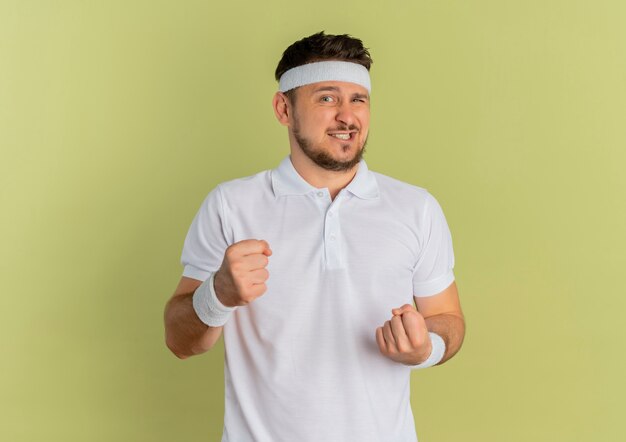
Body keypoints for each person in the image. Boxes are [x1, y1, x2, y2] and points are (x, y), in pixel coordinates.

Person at [164, 31, 465, 442]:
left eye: (358, 99)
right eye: (326, 98)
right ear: (283, 108)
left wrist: (424, 349)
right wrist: (217, 294)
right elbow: (180, 341)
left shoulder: (416, 207)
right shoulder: (231, 205)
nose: (347, 116)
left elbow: (448, 320)